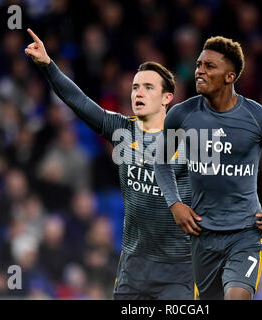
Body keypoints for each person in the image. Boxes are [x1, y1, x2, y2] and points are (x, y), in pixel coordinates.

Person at [24, 28, 194, 300]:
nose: (138, 92)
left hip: (176, 269)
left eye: (148, 87)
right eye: (135, 87)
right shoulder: (122, 131)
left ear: (167, 98)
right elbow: (79, 102)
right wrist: (48, 65)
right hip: (133, 268)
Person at [154, 36, 262, 300]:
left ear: (229, 76)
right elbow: (162, 160)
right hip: (203, 235)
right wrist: (174, 203)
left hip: (246, 232)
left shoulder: (260, 117)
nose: (200, 70)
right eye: (199, 64)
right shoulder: (181, 115)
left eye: (209, 66)